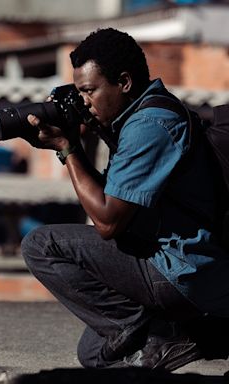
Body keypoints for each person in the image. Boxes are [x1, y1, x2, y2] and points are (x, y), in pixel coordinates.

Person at [21, 27, 229, 371]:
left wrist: (68, 148)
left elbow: (107, 221)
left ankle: (164, 334)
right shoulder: (134, 120)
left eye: (90, 90)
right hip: (170, 265)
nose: (84, 101)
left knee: (41, 245)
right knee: (94, 354)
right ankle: (197, 335)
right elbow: (115, 208)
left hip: (182, 267)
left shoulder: (150, 125)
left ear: (125, 82)